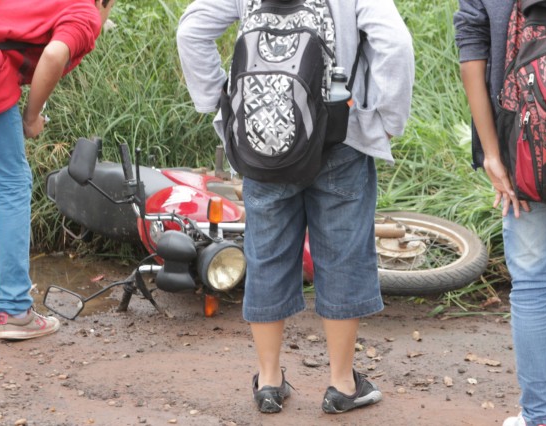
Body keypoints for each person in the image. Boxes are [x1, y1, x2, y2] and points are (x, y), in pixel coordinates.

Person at [177, 0, 414, 414]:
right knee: (342, 256)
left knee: (266, 254)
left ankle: (269, 381)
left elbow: (191, 32)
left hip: (264, 141)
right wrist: (387, 119)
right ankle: (341, 384)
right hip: (342, 135)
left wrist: (222, 101)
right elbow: (394, 43)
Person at [0, 0, 116, 340]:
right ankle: (15, 310)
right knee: (12, 183)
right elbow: (53, 55)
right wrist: (31, 116)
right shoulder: (85, 12)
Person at [455, 2, 546, 425]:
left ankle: (538, 417)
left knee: (531, 286)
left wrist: (493, 153)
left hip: (521, 149)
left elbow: (471, 48)